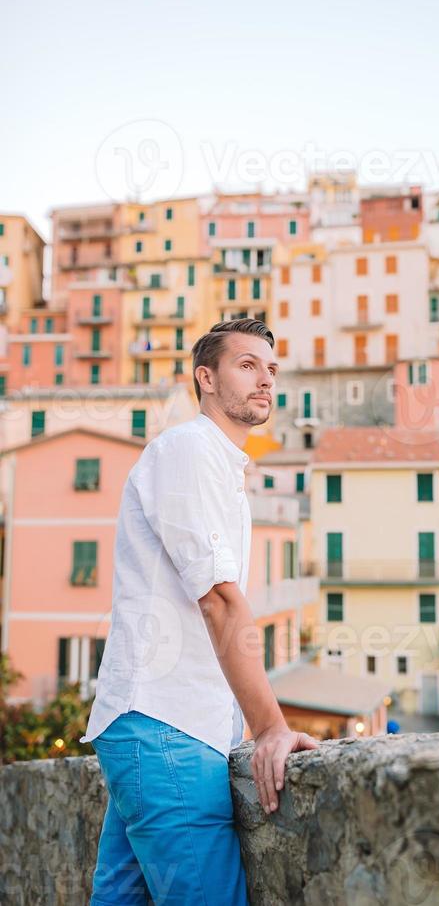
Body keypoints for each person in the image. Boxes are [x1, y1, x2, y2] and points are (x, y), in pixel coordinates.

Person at [80, 318, 320, 905]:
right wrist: (269, 728)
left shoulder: (220, 467)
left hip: (159, 730)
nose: (265, 380)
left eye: (271, 369)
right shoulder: (188, 451)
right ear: (205, 377)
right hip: (167, 729)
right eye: (247, 365)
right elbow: (217, 600)